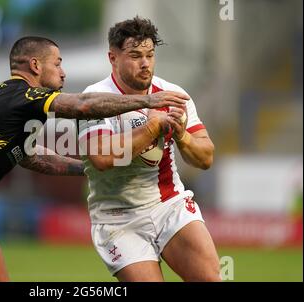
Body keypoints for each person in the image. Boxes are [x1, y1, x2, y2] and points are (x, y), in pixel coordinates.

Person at [0, 36, 189, 281]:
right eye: (57, 64)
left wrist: (88, 168)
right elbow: (83, 106)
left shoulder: (9, 99)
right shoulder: (22, 95)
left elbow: (29, 156)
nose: (63, 72)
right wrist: (149, 100)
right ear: (35, 65)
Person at [78, 17, 221, 281]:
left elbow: (205, 158)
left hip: (169, 204)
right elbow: (102, 157)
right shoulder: (95, 98)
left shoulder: (172, 93)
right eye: (135, 55)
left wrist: (182, 136)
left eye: (150, 55)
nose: (145, 64)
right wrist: (152, 128)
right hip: (118, 217)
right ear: (113, 57)